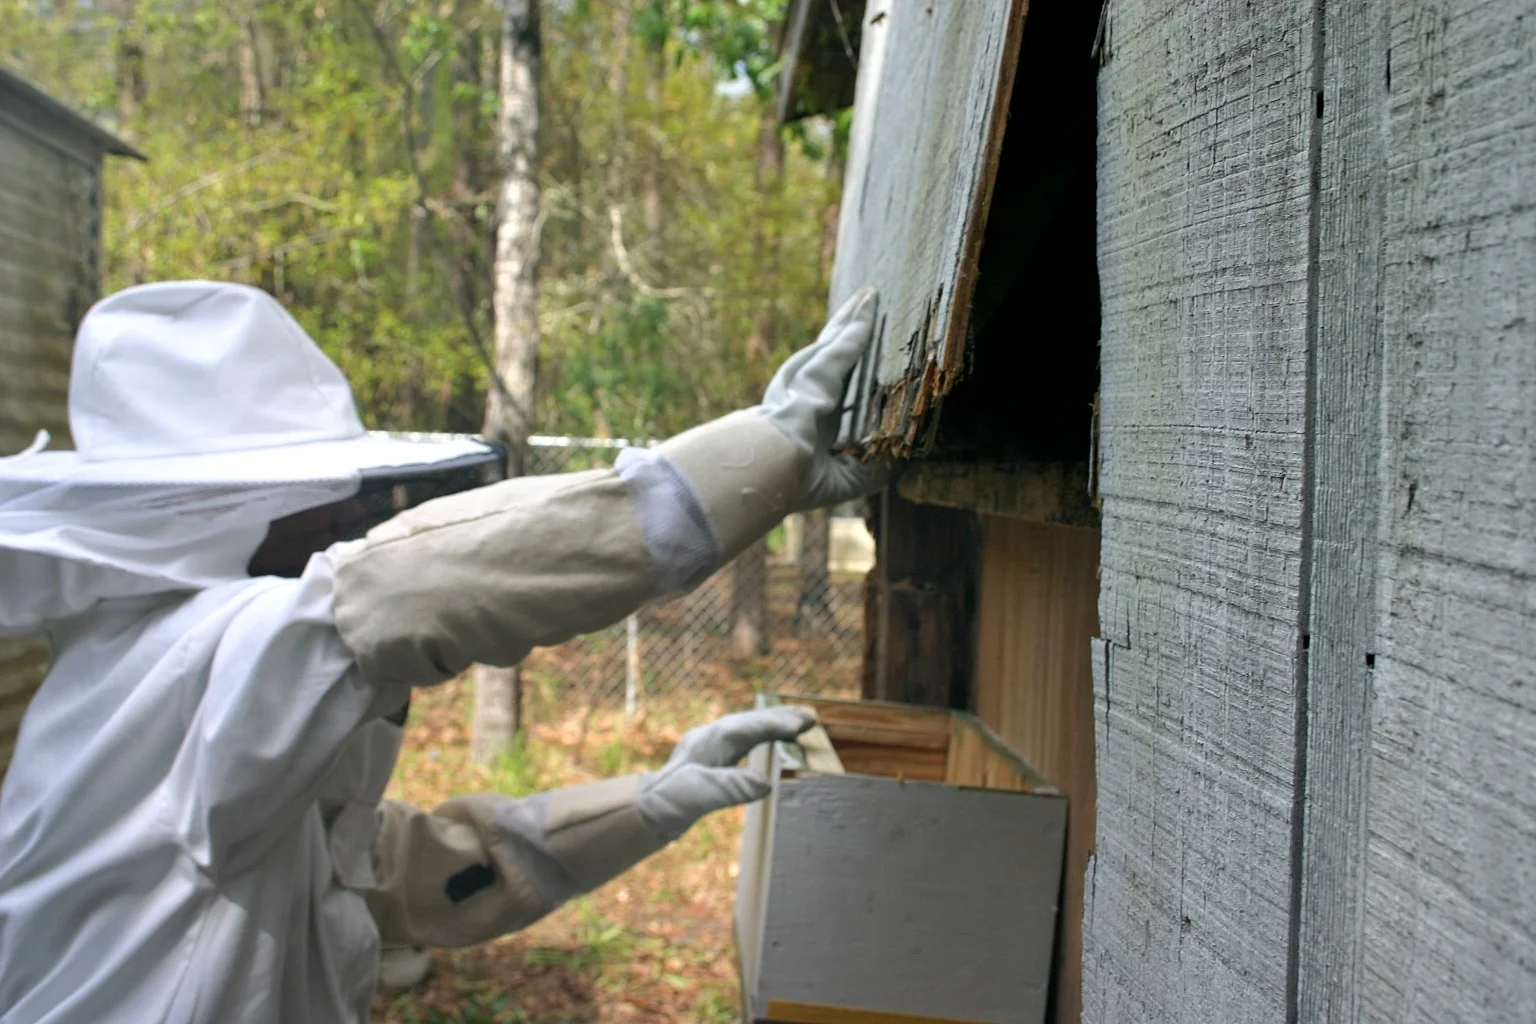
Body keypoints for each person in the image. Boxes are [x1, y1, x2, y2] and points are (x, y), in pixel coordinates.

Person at [0, 279, 879, 1023]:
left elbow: (393, 875)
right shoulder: (181, 664)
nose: (350, 508)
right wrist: (761, 461)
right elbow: (403, 592)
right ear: (211, 510)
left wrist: (649, 803)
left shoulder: (194, 699)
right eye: (313, 488)